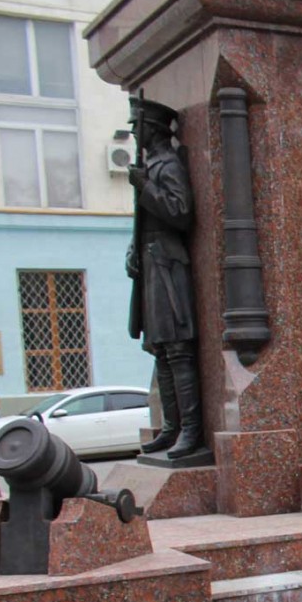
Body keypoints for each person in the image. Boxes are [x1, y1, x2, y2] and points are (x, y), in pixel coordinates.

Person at [125, 96, 202, 459]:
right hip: (151, 261)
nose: (134, 133)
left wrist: (146, 187)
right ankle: (171, 429)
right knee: (160, 350)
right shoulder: (151, 164)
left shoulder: (167, 164)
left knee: (177, 348)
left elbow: (181, 212)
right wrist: (132, 249)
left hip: (169, 265)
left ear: (152, 128)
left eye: (137, 126)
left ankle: (190, 430)